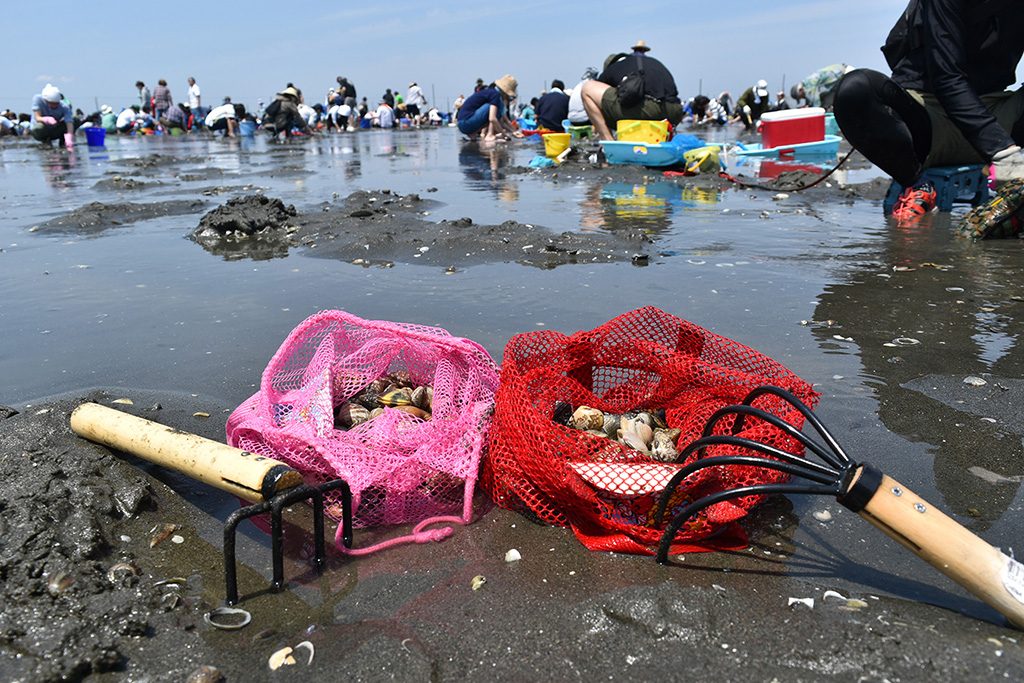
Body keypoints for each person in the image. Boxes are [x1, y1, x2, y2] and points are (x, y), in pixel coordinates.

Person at [833, 1, 1024, 222]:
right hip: (926, 120)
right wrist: (1004, 153)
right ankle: (916, 184)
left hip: (998, 115)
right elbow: (947, 79)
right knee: (855, 89)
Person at [580, 41, 683, 141]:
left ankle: (608, 142)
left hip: (648, 110)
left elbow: (600, 96)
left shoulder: (617, 66)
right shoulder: (657, 64)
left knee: (587, 89)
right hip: (675, 113)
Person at [456, 75, 524, 142]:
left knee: (496, 110)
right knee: (494, 109)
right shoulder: (495, 94)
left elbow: (501, 121)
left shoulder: (492, 92)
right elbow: (492, 119)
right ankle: (490, 135)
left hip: (463, 124)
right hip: (465, 122)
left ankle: (473, 134)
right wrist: (505, 135)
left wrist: (514, 132)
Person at [31, 84, 75, 148]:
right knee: (39, 127)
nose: (54, 106)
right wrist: (46, 119)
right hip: (41, 130)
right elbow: (37, 117)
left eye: (56, 104)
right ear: (46, 100)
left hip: (55, 129)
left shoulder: (64, 106)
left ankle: (64, 140)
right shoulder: (38, 99)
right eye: (51, 103)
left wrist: (69, 137)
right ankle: (45, 141)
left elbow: (69, 123)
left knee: (75, 120)